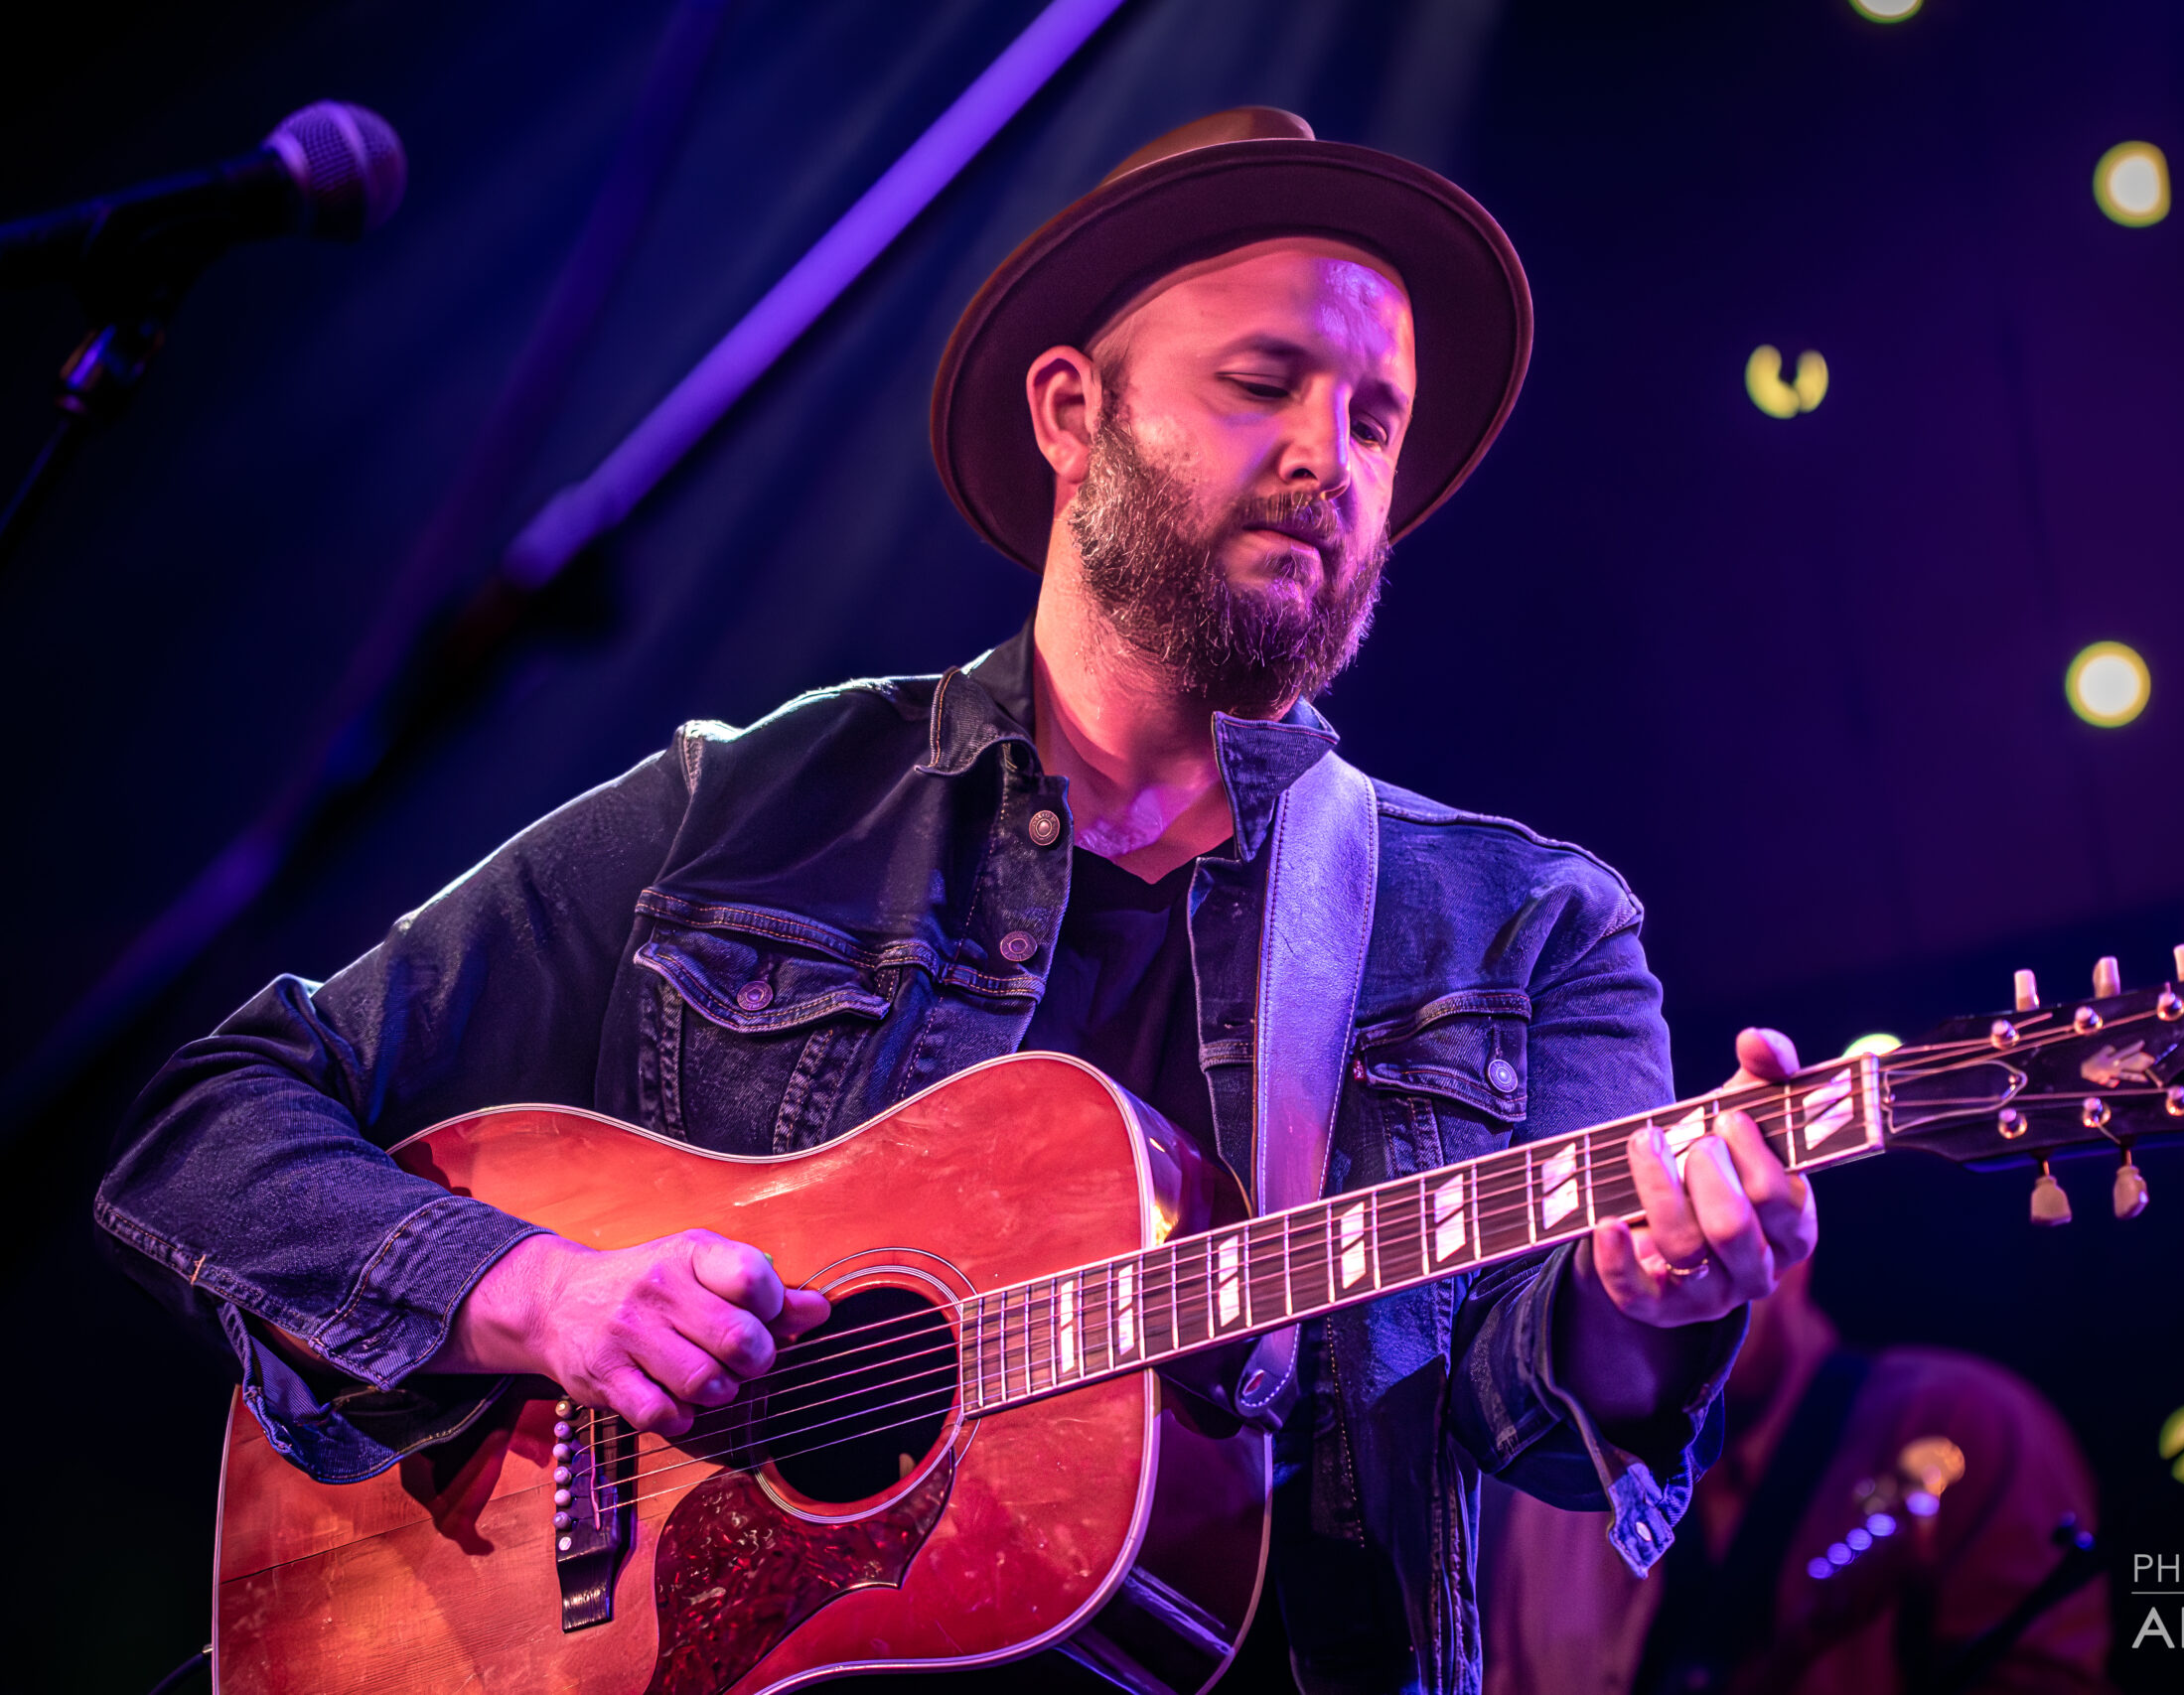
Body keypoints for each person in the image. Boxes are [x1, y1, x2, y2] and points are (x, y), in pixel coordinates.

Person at [95, 109, 1817, 1694]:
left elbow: (1538, 1404)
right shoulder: (749, 807)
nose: (1331, 455)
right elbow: (212, 1123)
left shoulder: (1529, 926)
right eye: (1263, 382)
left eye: (1374, 418)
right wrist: (540, 1292)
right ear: (1072, 413)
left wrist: (1655, 1305)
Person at [1486, 1261, 2109, 1695]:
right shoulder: (1548, 1499)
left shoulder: (1971, 1423)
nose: (1652, 1294)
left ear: (1790, 1247)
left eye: (1691, 1254)